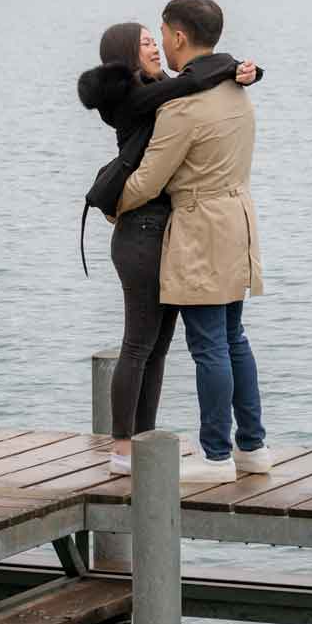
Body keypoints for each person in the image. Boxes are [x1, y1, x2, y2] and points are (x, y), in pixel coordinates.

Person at [78, 24, 260, 474]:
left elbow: (193, 82)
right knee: (138, 344)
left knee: (158, 348)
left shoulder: (160, 90)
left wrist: (247, 72)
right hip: (139, 229)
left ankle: (144, 441)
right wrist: (234, 69)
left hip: (169, 231)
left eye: (155, 39)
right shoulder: (125, 98)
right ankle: (123, 448)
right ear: (124, 55)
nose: (155, 47)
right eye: (144, 42)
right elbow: (195, 80)